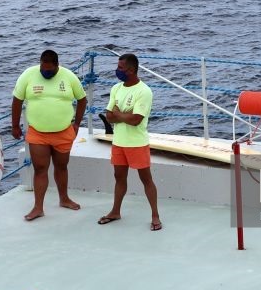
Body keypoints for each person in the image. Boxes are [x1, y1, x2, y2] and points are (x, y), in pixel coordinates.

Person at [11, 50, 87, 221]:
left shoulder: (69, 77)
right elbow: (17, 100)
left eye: (49, 70)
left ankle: (64, 199)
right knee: (40, 169)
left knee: (61, 167)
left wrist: (77, 124)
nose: (45, 72)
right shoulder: (28, 75)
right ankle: (38, 207)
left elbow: (82, 99)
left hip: (63, 132)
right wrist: (15, 125)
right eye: (43, 69)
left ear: (57, 66)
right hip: (38, 133)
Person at [98, 53, 162, 231]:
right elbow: (110, 116)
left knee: (146, 179)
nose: (117, 71)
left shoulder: (144, 91)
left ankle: (155, 216)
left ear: (132, 70)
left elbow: (136, 120)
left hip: (137, 143)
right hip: (119, 142)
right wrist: (122, 115)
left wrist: (119, 114)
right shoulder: (116, 88)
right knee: (119, 177)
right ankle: (115, 211)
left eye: (121, 68)